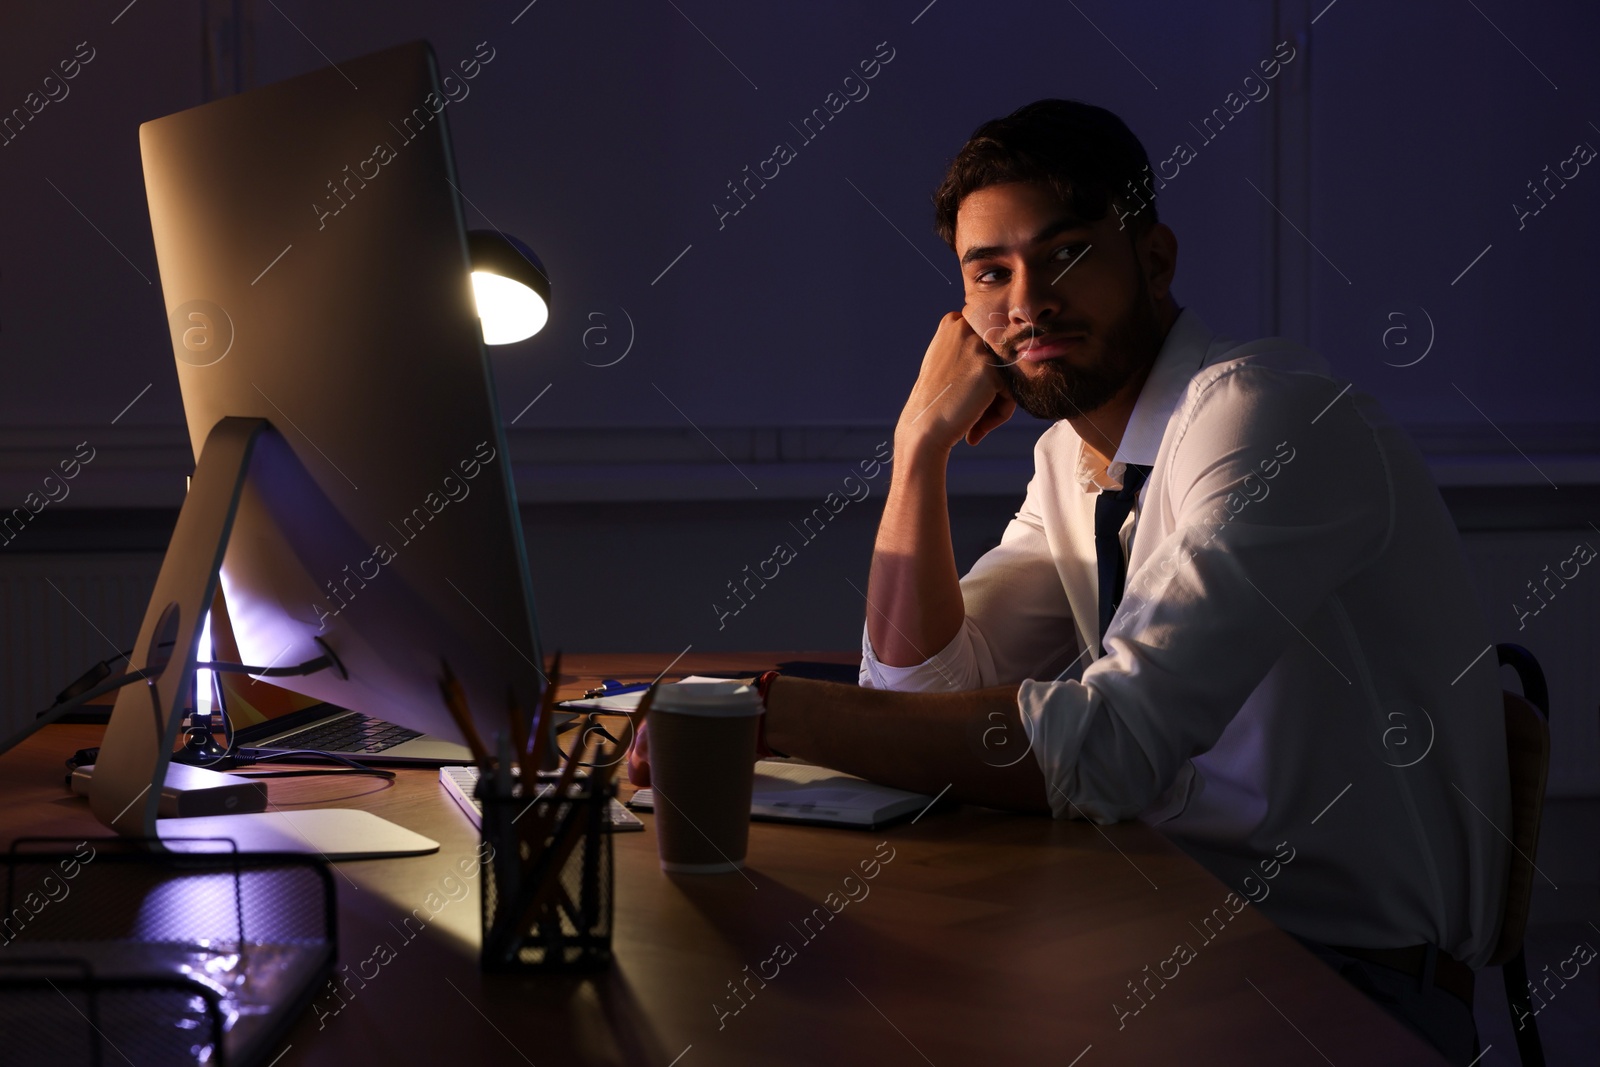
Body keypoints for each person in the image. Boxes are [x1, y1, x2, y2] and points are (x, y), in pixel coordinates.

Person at [632, 99, 1509, 1064]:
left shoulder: (1264, 416)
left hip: (1344, 985)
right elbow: (920, 692)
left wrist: (770, 716)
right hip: (1170, 928)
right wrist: (917, 447)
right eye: (990, 273)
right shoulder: (1072, 462)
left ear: (1156, 260)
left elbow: (1112, 745)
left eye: (1067, 254)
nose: (1028, 301)